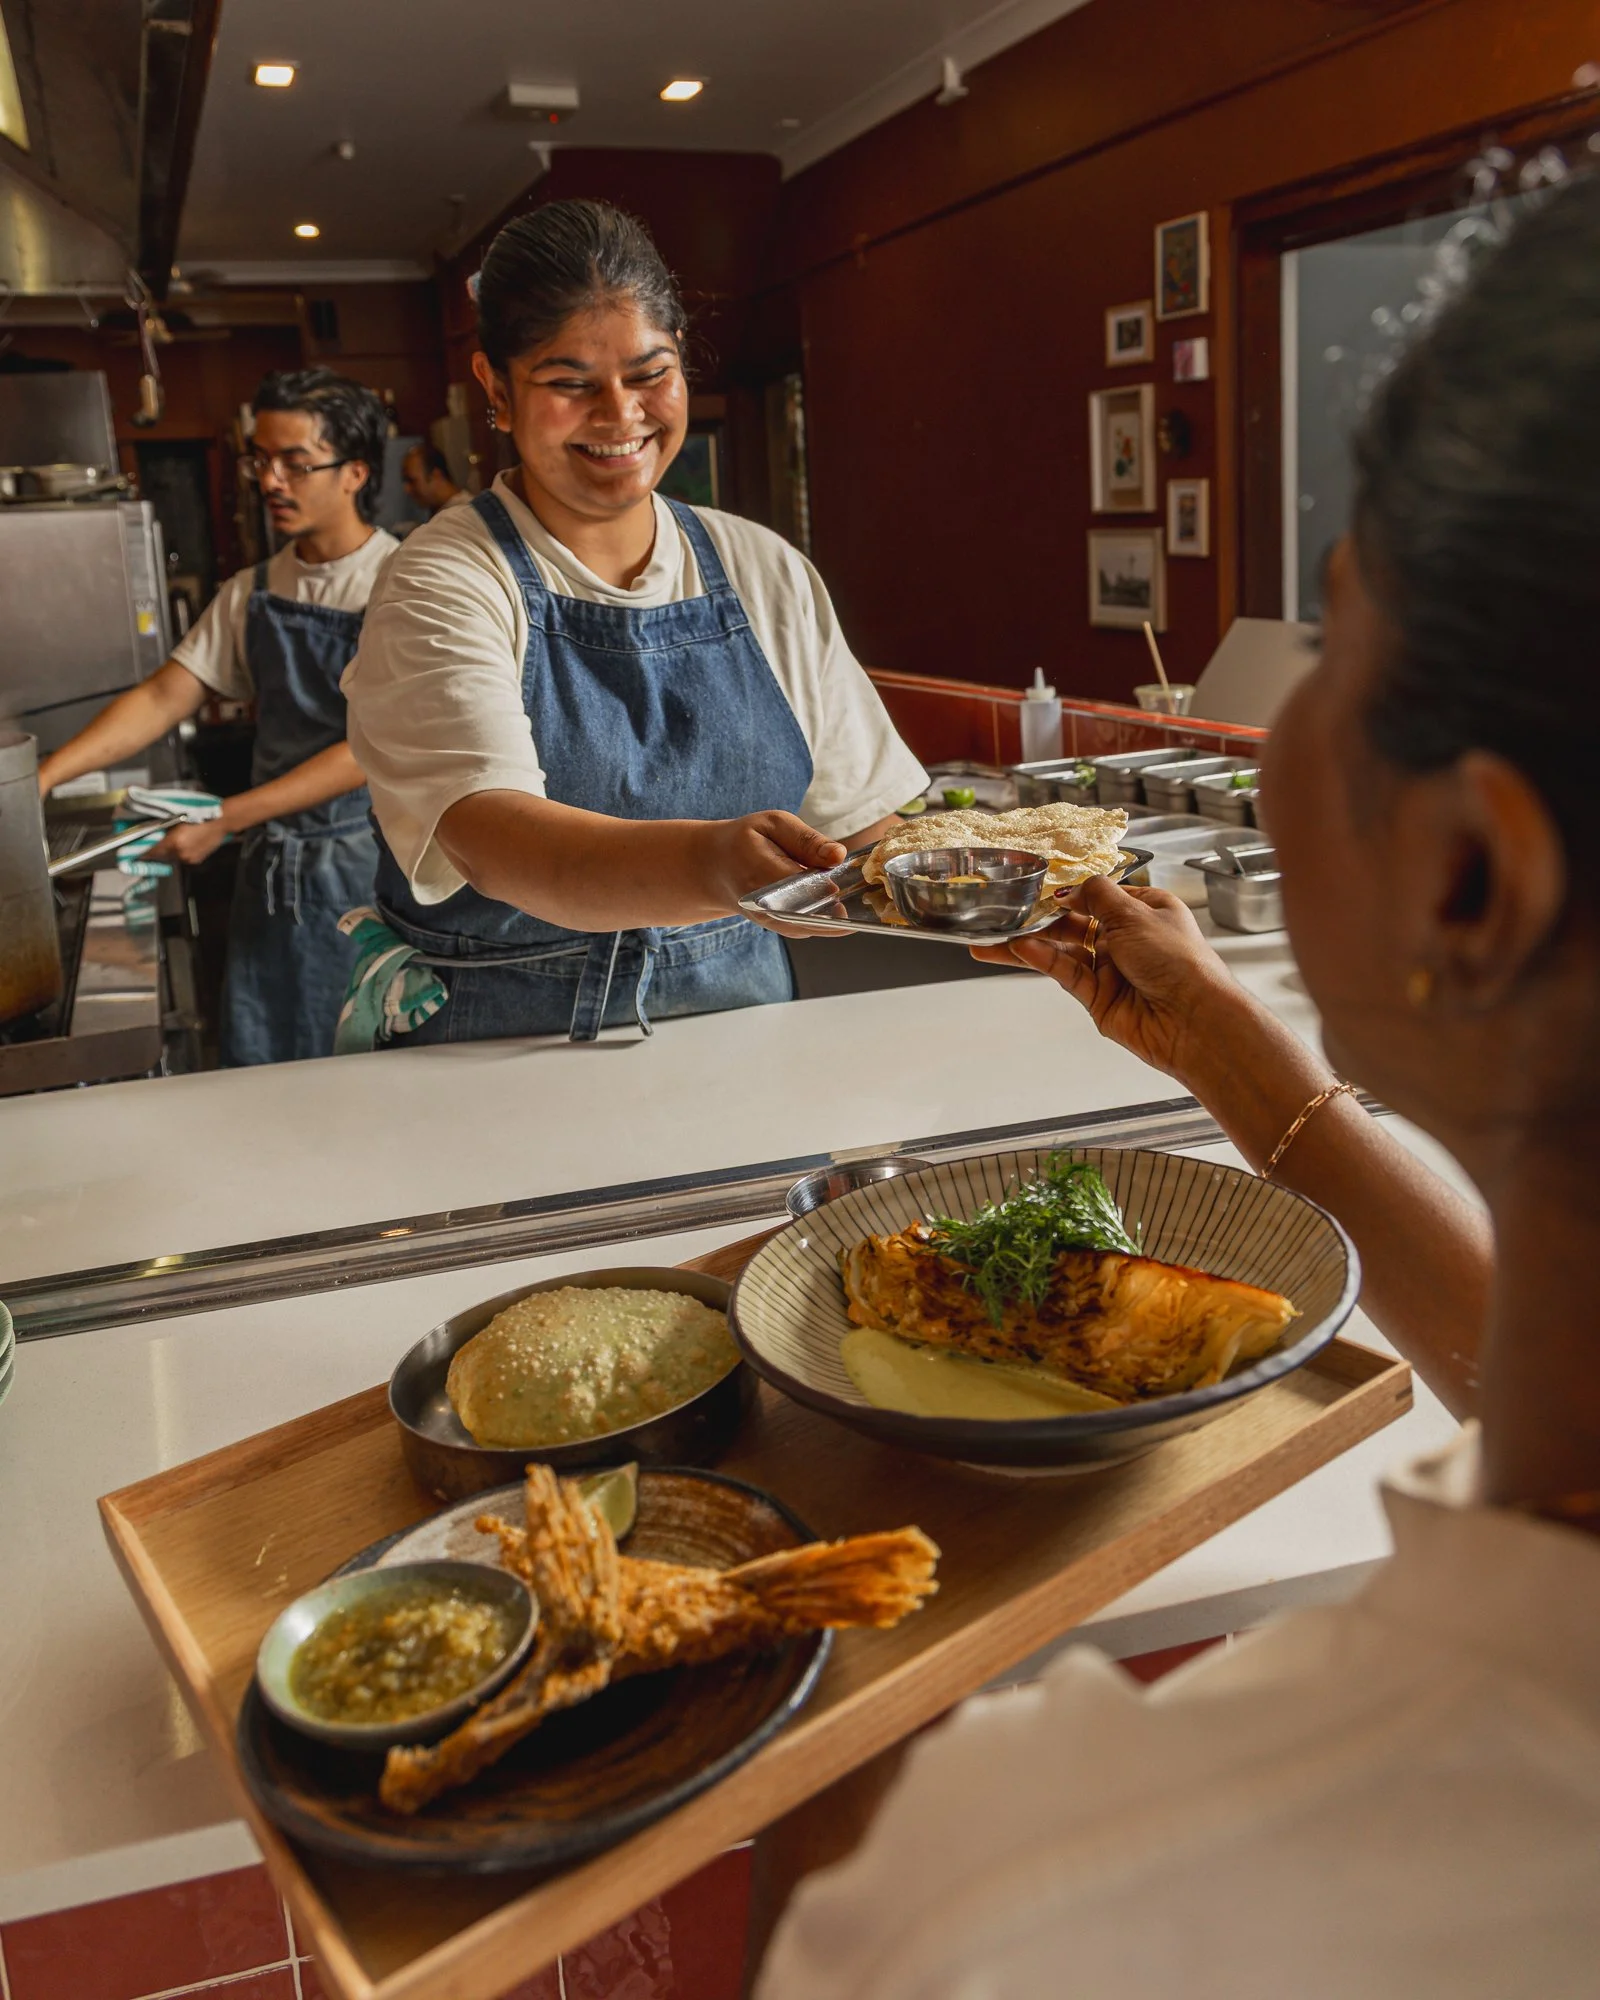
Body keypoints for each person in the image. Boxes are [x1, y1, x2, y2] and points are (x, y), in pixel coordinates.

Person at [752, 175, 1600, 1997]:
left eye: (1332, 633)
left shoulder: (1036, 1909)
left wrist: (842, 1761)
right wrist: (1220, 1038)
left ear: (1470, 876)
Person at [340, 199, 924, 1046]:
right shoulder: (444, 581)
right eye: (569, 383)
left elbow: (862, 827)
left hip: (743, 1035)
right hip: (496, 1054)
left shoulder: (764, 569)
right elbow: (498, 840)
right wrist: (714, 866)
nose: (620, 415)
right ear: (496, 389)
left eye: (650, 374)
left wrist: (1033, 884)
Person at [38, 370, 394, 1065]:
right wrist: (44, 777)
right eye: (260, 459)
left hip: (369, 869)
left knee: (359, 1063)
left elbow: (368, 748)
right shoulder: (252, 591)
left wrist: (228, 818)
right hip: (272, 868)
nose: (270, 480)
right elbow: (163, 696)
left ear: (354, 472)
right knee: (264, 1057)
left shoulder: (402, 581)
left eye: (295, 462)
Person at [400, 440, 467, 514]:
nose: (407, 489)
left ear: (436, 476)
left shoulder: (461, 513)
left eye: (412, 481)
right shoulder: (446, 511)